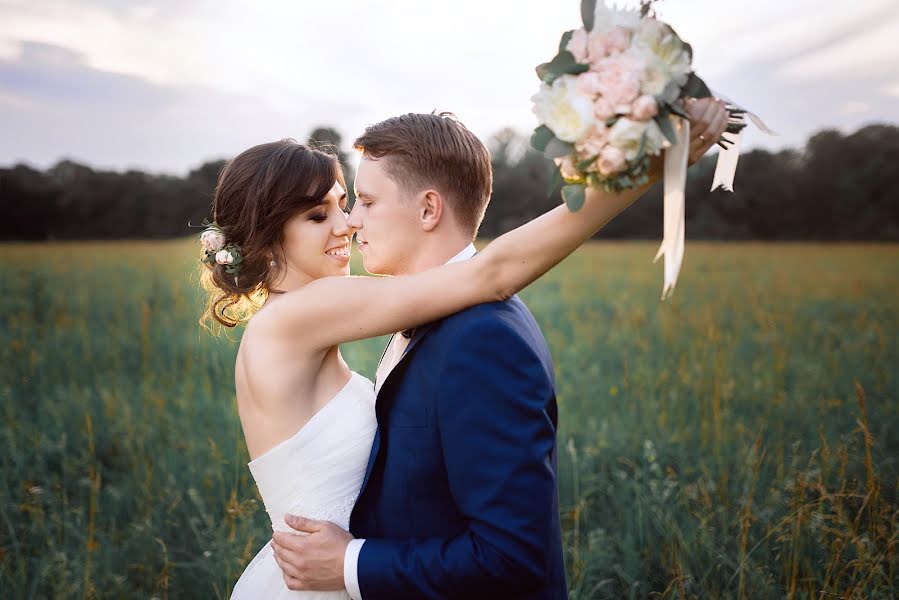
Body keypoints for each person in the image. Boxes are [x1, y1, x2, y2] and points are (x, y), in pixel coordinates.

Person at [210, 101, 729, 599]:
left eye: (350, 204)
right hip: (321, 583)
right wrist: (646, 168)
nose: (346, 224)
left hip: (343, 576)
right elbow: (492, 273)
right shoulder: (299, 318)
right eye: (318, 216)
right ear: (268, 235)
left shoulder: (306, 324)